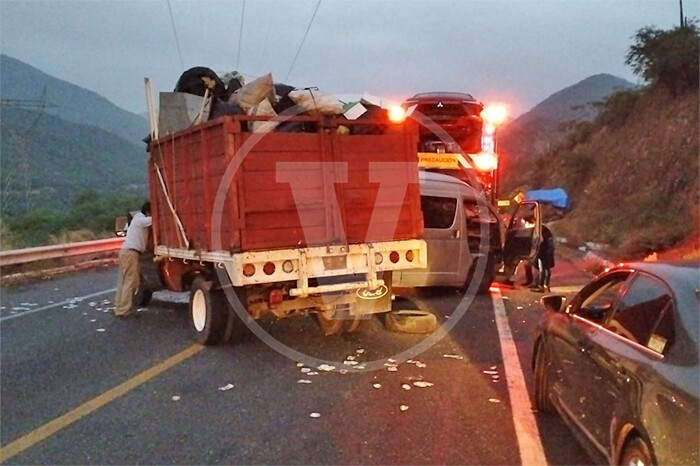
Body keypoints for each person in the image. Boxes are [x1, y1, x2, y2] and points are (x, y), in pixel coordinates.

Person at [114, 201, 152, 317]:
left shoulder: (136, 219)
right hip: (131, 253)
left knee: (124, 281)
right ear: (148, 212)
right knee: (131, 281)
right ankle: (124, 310)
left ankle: (119, 308)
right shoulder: (140, 219)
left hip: (126, 252)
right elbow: (154, 220)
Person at [532, 225, 555, 292]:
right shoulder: (544, 230)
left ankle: (541, 286)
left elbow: (540, 241)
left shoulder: (540, 230)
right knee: (545, 269)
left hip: (545, 252)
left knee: (543, 270)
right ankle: (545, 285)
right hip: (547, 251)